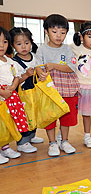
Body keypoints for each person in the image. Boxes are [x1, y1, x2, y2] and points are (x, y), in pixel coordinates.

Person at [36, 14, 80, 156]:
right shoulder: (42, 49)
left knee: (66, 116)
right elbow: (37, 66)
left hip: (66, 88)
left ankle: (64, 141)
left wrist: (54, 66)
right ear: (46, 31)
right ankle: (52, 143)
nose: (58, 36)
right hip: (49, 90)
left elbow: (71, 67)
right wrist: (39, 72)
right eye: (54, 32)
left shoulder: (67, 49)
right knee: (51, 116)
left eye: (63, 32)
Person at [9, 27, 46, 153]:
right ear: (13, 45)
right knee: (23, 117)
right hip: (22, 95)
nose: (23, 47)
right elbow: (14, 82)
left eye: (26, 43)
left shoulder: (34, 57)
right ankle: (22, 142)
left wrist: (41, 73)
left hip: (34, 93)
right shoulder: (13, 62)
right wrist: (25, 75)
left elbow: (40, 68)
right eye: (19, 44)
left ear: (31, 42)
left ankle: (31, 136)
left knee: (33, 114)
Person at [0, 26, 23, 163]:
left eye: (4, 42)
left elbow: (17, 76)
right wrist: (2, 91)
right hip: (2, 96)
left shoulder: (10, 61)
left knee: (8, 123)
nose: (1, 45)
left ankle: (6, 147)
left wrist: (13, 87)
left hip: (9, 97)